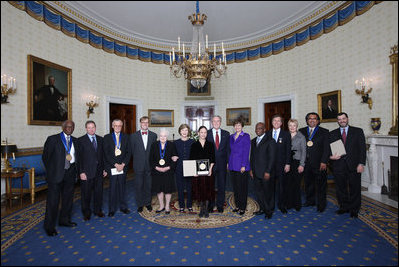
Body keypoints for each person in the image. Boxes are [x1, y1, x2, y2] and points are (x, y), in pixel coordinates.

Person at [42, 120, 78, 236]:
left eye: (71, 127)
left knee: (68, 199)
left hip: (70, 174)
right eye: (67, 126)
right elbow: (45, 158)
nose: (69, 128)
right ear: (63, 127)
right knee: (53, 202)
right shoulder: (53, 139)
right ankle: (49, 226)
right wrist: (52, 171)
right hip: (56, 175)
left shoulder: (75, 141)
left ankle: (64, 220)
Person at [329, 112, 366, 218]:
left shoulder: (358, 131)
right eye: (339, 119)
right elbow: (328, 150)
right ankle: (344, 207)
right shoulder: (332, 133)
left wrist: (361, 163)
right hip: (338, 165)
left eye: (343, 118)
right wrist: (331, 157)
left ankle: (354, 209)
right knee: (341, 188)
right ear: (337, 121)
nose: (342, 121)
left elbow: (362, 149)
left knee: (355, 188)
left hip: (354, 165)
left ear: (347, 119)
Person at [299, 112, 330, 213]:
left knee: (321, 185)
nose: (312, 120)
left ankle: (321, 205)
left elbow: (327, 148)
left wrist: (324, 161)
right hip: (306, 163)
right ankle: (310, 201)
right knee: (308, 184)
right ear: (307, 120)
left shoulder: (325, 132)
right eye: (310, 118)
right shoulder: (301, 131)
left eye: (314, 118)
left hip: (319, 163)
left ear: (318, 121)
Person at [77, 120, 107, 221]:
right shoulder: (80, 140)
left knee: (99, 193)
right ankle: (86, 213)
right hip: (86, 172)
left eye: (93, 127)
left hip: (99, 172)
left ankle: (98, 210)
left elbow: (103, 156)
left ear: (95, 127)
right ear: (86, 129)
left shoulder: (101, 139)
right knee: (86, 194)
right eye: (89, 127)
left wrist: (104, 169)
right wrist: (81, 172)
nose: (91, 129)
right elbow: (78, 158)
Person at [103, 119, 131, 217]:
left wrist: (123, 164)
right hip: (112, 167)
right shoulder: (106, 138)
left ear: (122, 126)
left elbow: (129, 152)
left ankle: (123, 207)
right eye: (116, 125)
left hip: (123, 167)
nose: (118, 127)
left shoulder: (127, 137)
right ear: (112, 126)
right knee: (113, 188)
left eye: (119, 125)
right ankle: (112, 209)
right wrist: (115, 164)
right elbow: (106, 154)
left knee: (122, 188)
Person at [129, 116, 157, 213]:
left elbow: (154, 152)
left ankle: (148, 203)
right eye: (143, 122)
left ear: (149, 124)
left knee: (148, 185)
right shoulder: (133, 136)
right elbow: (132, 151)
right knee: (138, 185)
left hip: (149, 165)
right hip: (138, 165)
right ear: (140, 123)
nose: (145, 124)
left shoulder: (154, 135)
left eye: (147, 122)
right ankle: (140, 204)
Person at [250, 122, 276, 219]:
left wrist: (268, 171)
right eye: (256, 128)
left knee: (268, 193)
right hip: (256, 172)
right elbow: (252, 157)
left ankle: (269, 211)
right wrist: (251, 170)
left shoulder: (270, 141)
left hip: (266, 173)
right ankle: (262, 208)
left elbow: (272, 158)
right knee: (258, 192)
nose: (258, 130)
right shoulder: (253, 141)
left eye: (260, 128)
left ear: (264, 129)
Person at [266, 114, 291, 214]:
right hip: (270, 166)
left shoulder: (286, 134)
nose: (276, 122)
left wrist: (288, 163)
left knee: (282, 187)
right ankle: (270, 206)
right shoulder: (267, 134)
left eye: (278, 121)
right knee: (270, 187)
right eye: (274, 121)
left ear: (281, 123)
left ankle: (282, 205)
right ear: (272, 122)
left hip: (282, 165)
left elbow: (288, 150)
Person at [150, 128, 178, 214]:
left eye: (165, 136)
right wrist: (157, 168)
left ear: (167, 136)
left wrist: (168, 167)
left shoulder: (171, 145)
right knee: (159, 189)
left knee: (167, 189)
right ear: (159, 136)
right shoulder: (154, 145)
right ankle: (161, 205)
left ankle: (167, 207)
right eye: (161, 136)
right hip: (157, 171)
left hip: (168, 171)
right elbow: (151, 159)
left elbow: (175, 158)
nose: (163, 137)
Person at [189, 126, 215, 218]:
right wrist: (194, 172)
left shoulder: (210, 144)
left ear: (206, 134)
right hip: (197, 173)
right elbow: (191, 159)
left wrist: (211, 169)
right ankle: (202, 209)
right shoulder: (194, 145)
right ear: (198, 133)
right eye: (201, 132)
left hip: (208, 173)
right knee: (199, 191)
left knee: (208, 190)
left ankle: (206, 209)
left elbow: (213, 158)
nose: (203, 134)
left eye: (205, 132)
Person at [207, 115, 230, 213]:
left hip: (222, 164)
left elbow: (228, 149)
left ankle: (220, 205)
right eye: (214, 121)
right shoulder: (206, 133)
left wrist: (228, 162)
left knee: (221, 185)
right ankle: (211, 205)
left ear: (221, 122)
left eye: (218, 121)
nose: (216, 123)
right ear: (212, 122)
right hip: (210, 165)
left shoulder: (226, 133)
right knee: (210, 185)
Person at [228, 119, 251, 215]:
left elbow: (246, 152)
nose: (237, 127)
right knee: (236, 188)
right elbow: (230, 151)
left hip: (242, 166)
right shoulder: (231, 137)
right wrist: (228, 163)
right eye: (236, 125)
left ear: (242, 126)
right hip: (233, 166)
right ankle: (237, 206)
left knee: (242, 188)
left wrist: (243, 165)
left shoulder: (246, 136)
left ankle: (242, 207)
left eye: (239, 125)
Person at [286, 119, 306, 211]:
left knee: (296, 184)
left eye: (294, 125)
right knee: (288, 184)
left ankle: (297, 204)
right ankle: (289, 203)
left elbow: (304, 152)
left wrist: (302, 164)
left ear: (297, 126)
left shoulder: (301, 136)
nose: (292, 127)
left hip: (297, 162)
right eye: (290, 125)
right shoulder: (285, 135)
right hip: (287, 162)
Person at [174, 124, 195, 212]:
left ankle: (189, 205)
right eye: (183, 130)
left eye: (186, 130)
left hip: (190, 166)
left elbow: (195, 155)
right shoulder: (175, 143)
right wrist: (173, 157)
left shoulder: (193, 142)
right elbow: (173, 154)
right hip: (179, 166)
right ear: (180, 131)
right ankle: (182, 205)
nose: (184, 132)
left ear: (188, 132)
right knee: (180, 187)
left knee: (190, 187)